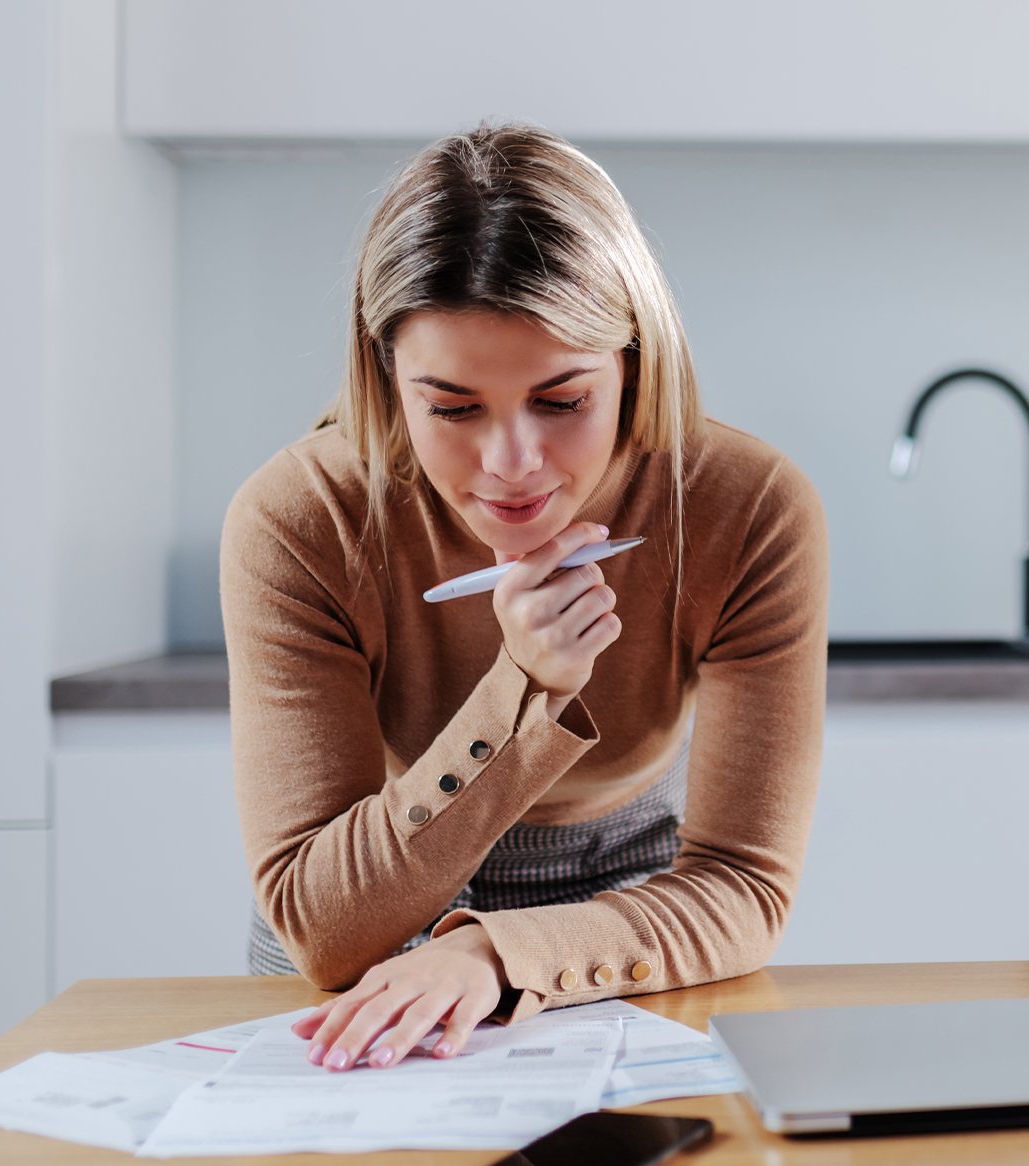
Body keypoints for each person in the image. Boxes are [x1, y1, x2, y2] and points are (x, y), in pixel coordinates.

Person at [220, 123, 828, 1074]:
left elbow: (742, 886)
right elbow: (328, 929)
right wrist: (521, 687)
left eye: (561, 400)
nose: (512, 466)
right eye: (453, 408)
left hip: (627, 916)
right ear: (387, 380)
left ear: (635, 363)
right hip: (372, 904)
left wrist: (495, 953)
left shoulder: (746, 507)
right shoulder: (299, 519)